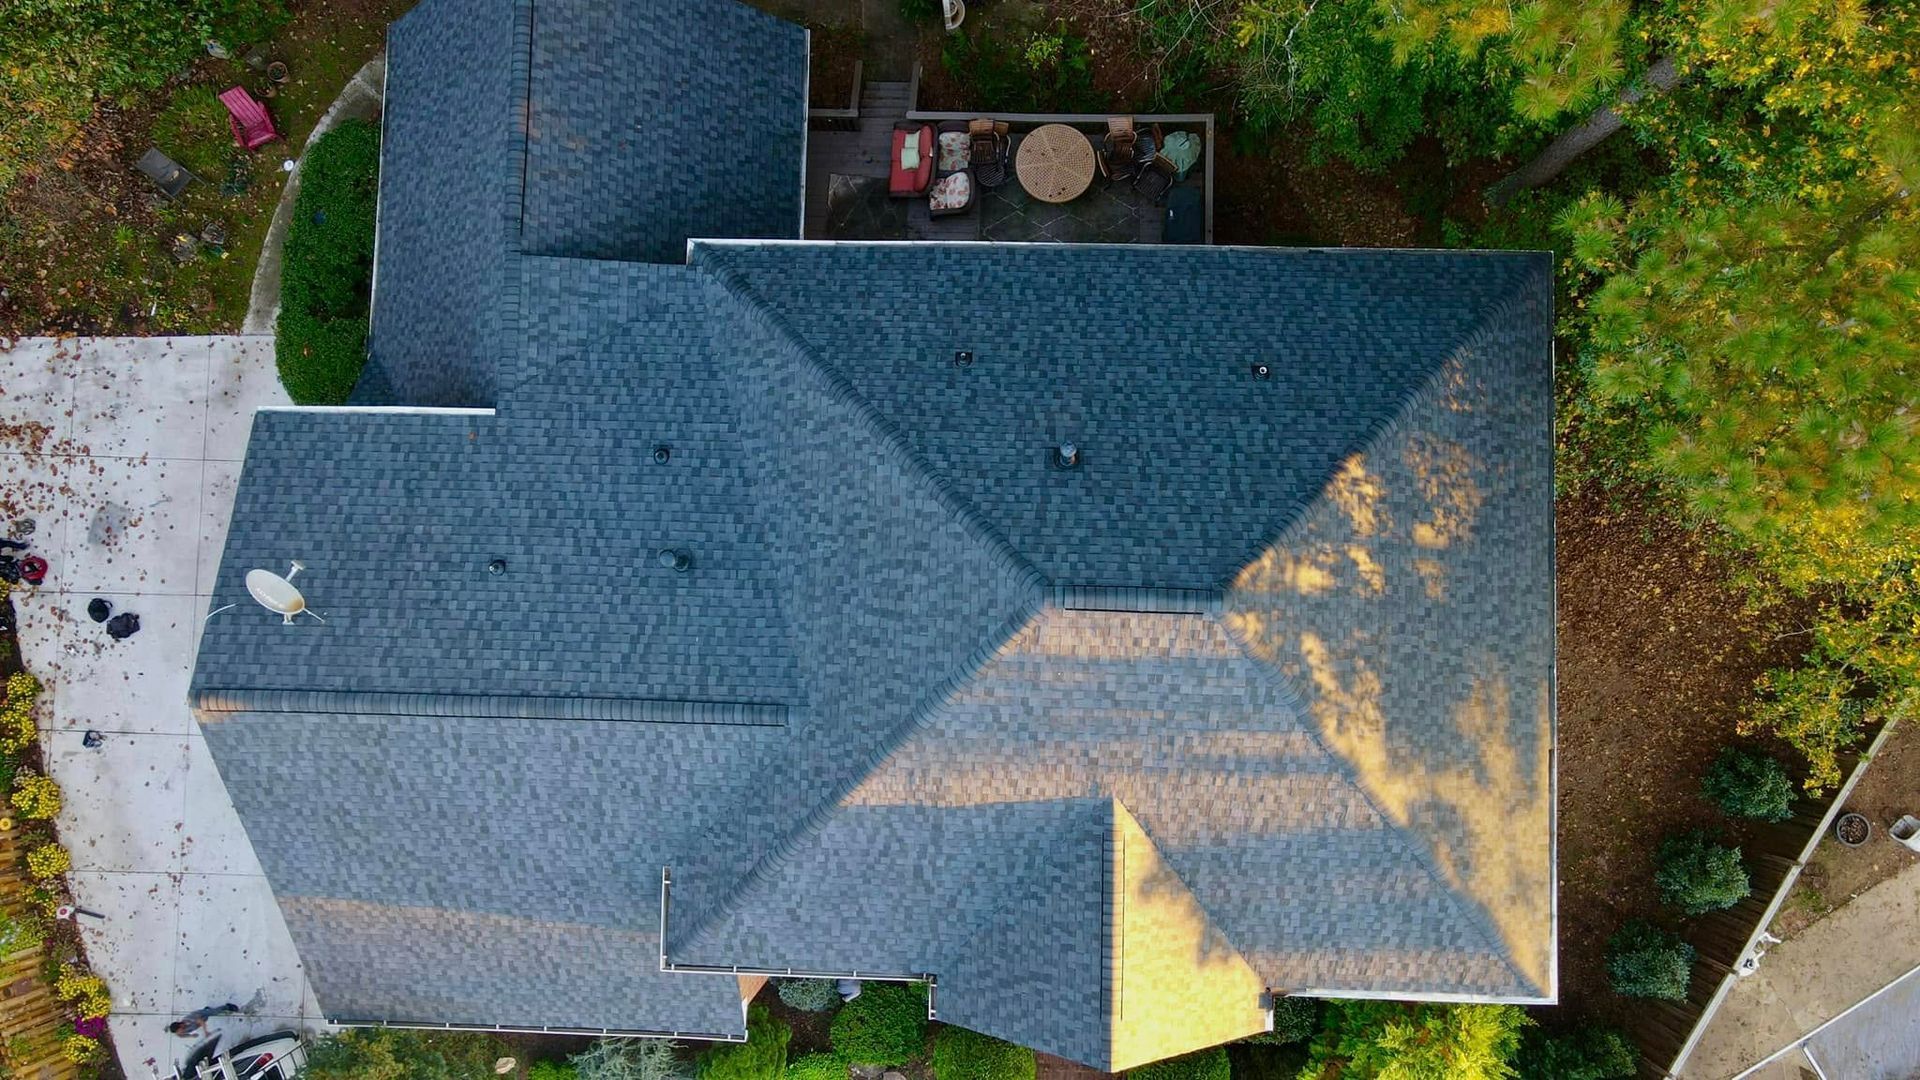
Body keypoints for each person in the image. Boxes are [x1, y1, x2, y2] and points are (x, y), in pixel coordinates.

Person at [166, 1003, 240, 1037]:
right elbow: (182, 1035)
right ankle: (207, 1009)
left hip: (201, 1014)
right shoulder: (183, 1031)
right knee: (207, 1017)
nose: (180, 1032)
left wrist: (206, 1032)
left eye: (179, 1030)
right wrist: (191, 1035)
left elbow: (201, 1022)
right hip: (201, 1020)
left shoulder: (188, 1019)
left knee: (215, 1012)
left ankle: (227, 1006)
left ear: (180, 1026)